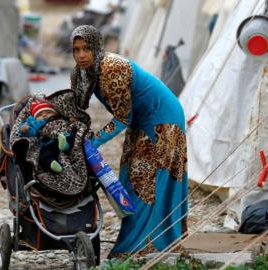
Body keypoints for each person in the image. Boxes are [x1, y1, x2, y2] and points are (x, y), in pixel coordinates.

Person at [70, 25, 188, 258]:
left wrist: (95, 141)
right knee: (129, 179)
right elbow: (76, 107)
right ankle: (139, 241)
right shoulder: (82, 73)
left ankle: (146, 246)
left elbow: (123, 117)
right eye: (76, 49)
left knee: (145, 182)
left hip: (162, 118)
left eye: (86, 48)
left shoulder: (112, 68)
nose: (81, 54)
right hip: (141, 121)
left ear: (96, 47)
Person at [19, 99, 75, 173]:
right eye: (40, 114)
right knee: (43, 156)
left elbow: (68, 123)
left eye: (48, 112)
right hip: (49, 143)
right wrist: (25, 129)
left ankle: (65, 146)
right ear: (35, 118)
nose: (44, 115)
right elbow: (32, 133)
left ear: (55, 113)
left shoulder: (59, 118)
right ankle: (52, 164)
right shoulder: (36, 124)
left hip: (62, 136)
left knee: (73, 136)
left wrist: (71, 120)